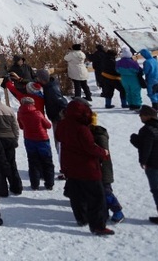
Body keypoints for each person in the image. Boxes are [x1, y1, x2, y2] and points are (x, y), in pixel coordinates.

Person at [56, 99, 112, 236]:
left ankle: (81, 218)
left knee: (77, 196)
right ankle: (98, 226)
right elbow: (90, 148)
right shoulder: (82, 129)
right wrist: (103, 152)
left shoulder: (63, 124)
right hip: (87, 169)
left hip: (70, 166)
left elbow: (58, 137)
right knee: (96, 198)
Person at [130, 105, 158, 226]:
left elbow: (146, 148)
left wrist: (142, 160)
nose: (140, 116)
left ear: (149, 116)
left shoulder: (147, 130)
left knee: (157, 191)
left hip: (155, 166)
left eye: (142, 114)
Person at [90, 110, 124, 223]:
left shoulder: (99, 135)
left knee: (106, 191)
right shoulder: (93, 134)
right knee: (99, 192)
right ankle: (104, 211)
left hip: (103, 168)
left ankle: (117, 211)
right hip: (96, 168)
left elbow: (104, 153)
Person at [17, 97, 55, 190]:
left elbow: (21, 126)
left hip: (29, 139)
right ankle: (49, 183)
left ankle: (34, 184)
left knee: (33, 162)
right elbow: (48, 125)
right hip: (42, 139)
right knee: (47, 162)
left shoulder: (20, 113)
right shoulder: (37, 113)